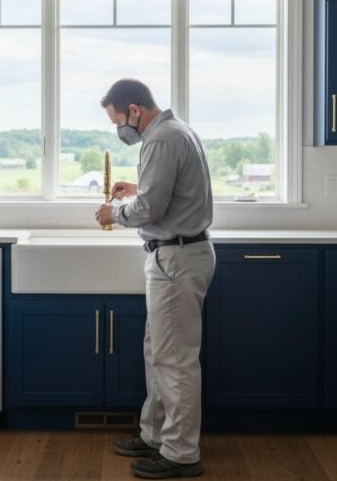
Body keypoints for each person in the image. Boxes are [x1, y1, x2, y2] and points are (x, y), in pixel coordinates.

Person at [95, 78, 215, 479]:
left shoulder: (161, 139)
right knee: (158, 352)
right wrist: (136, 188)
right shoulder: (176, 130)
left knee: (175, 360)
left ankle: (181, 453)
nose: (120, 130)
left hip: (177, 258)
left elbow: (151, 207)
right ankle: (155, 436)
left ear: (134, 110)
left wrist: (114, 212)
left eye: (118, 121)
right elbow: (164, 192)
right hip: (178, 255)